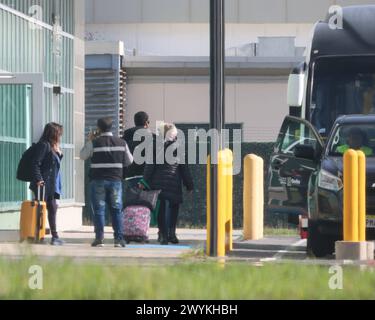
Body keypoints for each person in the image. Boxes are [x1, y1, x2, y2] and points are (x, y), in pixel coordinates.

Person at [80, 117, 133, 248]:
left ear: (98, 128)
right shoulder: (122, 143)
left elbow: (82, 156)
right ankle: (119, 240)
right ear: (112, 128)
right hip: (115, 181)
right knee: (116, 210)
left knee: (99, 210)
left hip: (98, 181)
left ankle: (99, 239)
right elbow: (129, 161)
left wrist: (89, 140)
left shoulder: (94, 142)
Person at [143, 123, 194, 245]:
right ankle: (172, 234)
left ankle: (163, 235)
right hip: (173, 183)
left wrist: (144, 181)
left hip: (158, 184)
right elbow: (184, 169)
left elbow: (149, 167)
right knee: (174, 208)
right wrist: (189, 185)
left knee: (161, 210)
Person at [31, 122, 64, 246]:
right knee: (41, 210)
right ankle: (38, 236)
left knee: (52, 208)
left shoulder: (51, 146)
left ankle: (54, 237)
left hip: (50, 185)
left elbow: (53, 165)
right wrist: (39, 179)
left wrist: (59, 153)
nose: (60, 136)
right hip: (43, 184)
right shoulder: (44, 145)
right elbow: (36, 163)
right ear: (53, 133)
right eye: (59, 133)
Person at [123, 111, 156, 187]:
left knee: (132, 198)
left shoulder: (126, 137)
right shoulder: (154, 138)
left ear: (135, 123)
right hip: (149, 178)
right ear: (146, 123)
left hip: (130, 176)